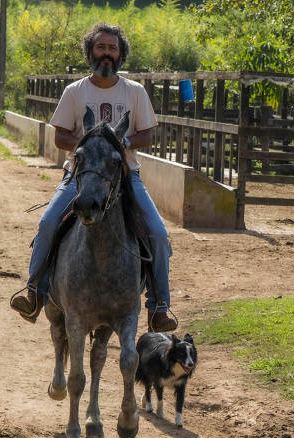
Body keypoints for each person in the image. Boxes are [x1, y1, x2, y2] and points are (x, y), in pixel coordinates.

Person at [11, 22, 177, 333]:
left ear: (121, 54)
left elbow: (147, 136)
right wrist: (87, 147)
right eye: (100, 47)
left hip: (125, 178)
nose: (106, 53)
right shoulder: (74, 92)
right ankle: (34, 291)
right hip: (79, 176)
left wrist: (122, 143)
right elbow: (60, 136)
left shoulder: (135, 92)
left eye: (112, 48)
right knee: (48, 223)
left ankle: (159, 307)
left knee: (156, 232)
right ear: (90, 52)